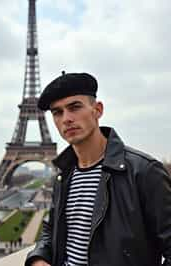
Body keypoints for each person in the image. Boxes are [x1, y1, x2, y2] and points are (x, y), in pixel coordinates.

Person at [25, 72, 171, 266]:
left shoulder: (144, 172)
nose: (66, 119)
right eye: (57, 112)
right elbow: (50, 230)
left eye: (74, 107)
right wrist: (38, 258)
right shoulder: (64, 176)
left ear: (98, 110)